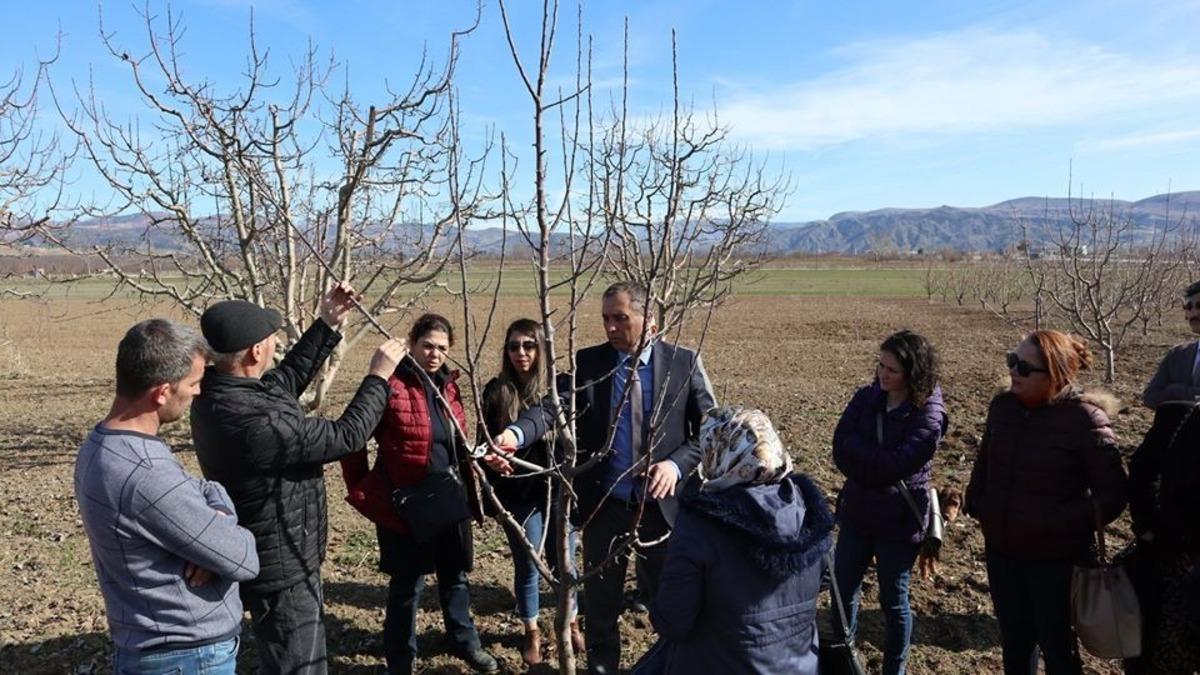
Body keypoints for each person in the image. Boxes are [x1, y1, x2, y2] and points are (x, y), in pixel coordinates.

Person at [493, 280, 716, 675]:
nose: (611, 327)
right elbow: (551, 408)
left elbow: (710, 431)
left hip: (664, 511)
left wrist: (676, 465)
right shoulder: (590, 362)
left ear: (648, 319)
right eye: (606, 319)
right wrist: (515, 434)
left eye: (620, 318)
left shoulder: (682, 362)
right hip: (605, 505)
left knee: (673, 604)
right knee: (601, 606)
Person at [190, 284, 407, 675]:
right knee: (300, 665)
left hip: (278, 551)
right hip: (282, 567)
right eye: (271, 339)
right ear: (257, 352)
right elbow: (346, 436)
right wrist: (378, 376)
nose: (275, 346)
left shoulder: (220, 390)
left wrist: (327, 323)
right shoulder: (256, 423)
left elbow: (284, 381)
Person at [75, 319, 260, 675]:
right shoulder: (144, 472)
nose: (198, 393)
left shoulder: (100, 444)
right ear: (162, 392)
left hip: (152, 645)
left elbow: (206, 489)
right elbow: (243, 558)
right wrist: (214, 537)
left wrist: (213, 517)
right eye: (193, 383)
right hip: (187, 658)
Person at [340, 313, 498, 674]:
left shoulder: (449, 386)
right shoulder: (390, 385)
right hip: (406, 505)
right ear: (411, 343)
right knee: (408, 587)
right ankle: (400, 659)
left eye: (442, 348)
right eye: (427, 345)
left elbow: (455, 441)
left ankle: (464, 640)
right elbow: (352, 440)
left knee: (455, 575)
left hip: (447, 498)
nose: (434, 354)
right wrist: (366, 491)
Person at [966, 330, 1128, 675]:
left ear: (1055, 375)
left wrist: (1058, 522)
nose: (1013, 372)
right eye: (1013, 361)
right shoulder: (1003, 407)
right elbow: (985, 460)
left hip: (1054, 560)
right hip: (1002, 550)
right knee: (1015, 641)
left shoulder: (1085, 420)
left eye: (1024, 368)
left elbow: (1113, 496)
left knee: (1057, 647)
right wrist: (978, 500)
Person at [635, 406, 834, 674]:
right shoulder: (809, 512)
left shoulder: (701, 527)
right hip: (799, 665)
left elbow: (673, 622)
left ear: (717, 454)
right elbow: (825, 579)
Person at [831, 329, 948, 675]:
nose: (882, 374)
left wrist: (863, 460)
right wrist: (873, 462)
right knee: (842, 591)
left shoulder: (929, 412)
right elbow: (840, 446)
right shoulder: (867, 397)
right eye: (880, 365)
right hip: (857, 512)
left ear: (913, 373)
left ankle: (894, 670)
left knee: (894, 601)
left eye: (892, 370)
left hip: (899, 519)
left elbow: (897, 465)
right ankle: (843, 660)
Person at [478, 318, 582, 667]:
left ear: (542, 348)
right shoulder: (495, 392)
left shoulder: (561, 388)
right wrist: (492, 461)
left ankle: (571, 620)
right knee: (528, 564)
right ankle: (532, 630)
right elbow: (483, 443)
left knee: (565, 563)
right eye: (513, 346)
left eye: (528, 345)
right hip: (518, 493)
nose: (520, 353)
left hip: (558, 491)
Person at [1126, 400, 1200, 674]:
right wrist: (1147, 527)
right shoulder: (1178, 417)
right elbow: (1142, 473)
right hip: (1169, 559)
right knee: (1158, 652)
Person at [1143, 280, 1200, 409]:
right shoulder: (1177, 354)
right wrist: (1193, 394)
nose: (1194, 313)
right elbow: (1150, 397)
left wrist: (1175, 390)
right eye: (1189, 307)